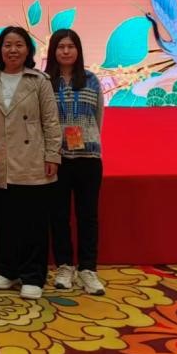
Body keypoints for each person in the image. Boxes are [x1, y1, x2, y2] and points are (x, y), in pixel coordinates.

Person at [0, 26, 61, 300]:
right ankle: (7, 269)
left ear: (28, 50)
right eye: (7, 45)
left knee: (33, 223)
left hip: (32, 160)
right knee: (5, 220)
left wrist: (53, 154)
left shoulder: (39, 81)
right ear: (0, 50)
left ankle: (33, 275)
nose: (13, 50)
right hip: (1, 161)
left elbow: (51, 120)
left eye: (19, 45)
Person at [45, 29, 106, 295]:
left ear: (78, 50)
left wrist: (90, 142)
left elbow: (98, 117)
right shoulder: (45, 81)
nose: (66, 51)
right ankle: (64, 266)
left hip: (88, 158)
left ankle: (88, 269)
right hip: (57, 158)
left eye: (71, 46)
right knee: (58, 215)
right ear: (53, 51)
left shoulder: (91, 80)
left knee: (87, 215)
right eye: (61, 47)